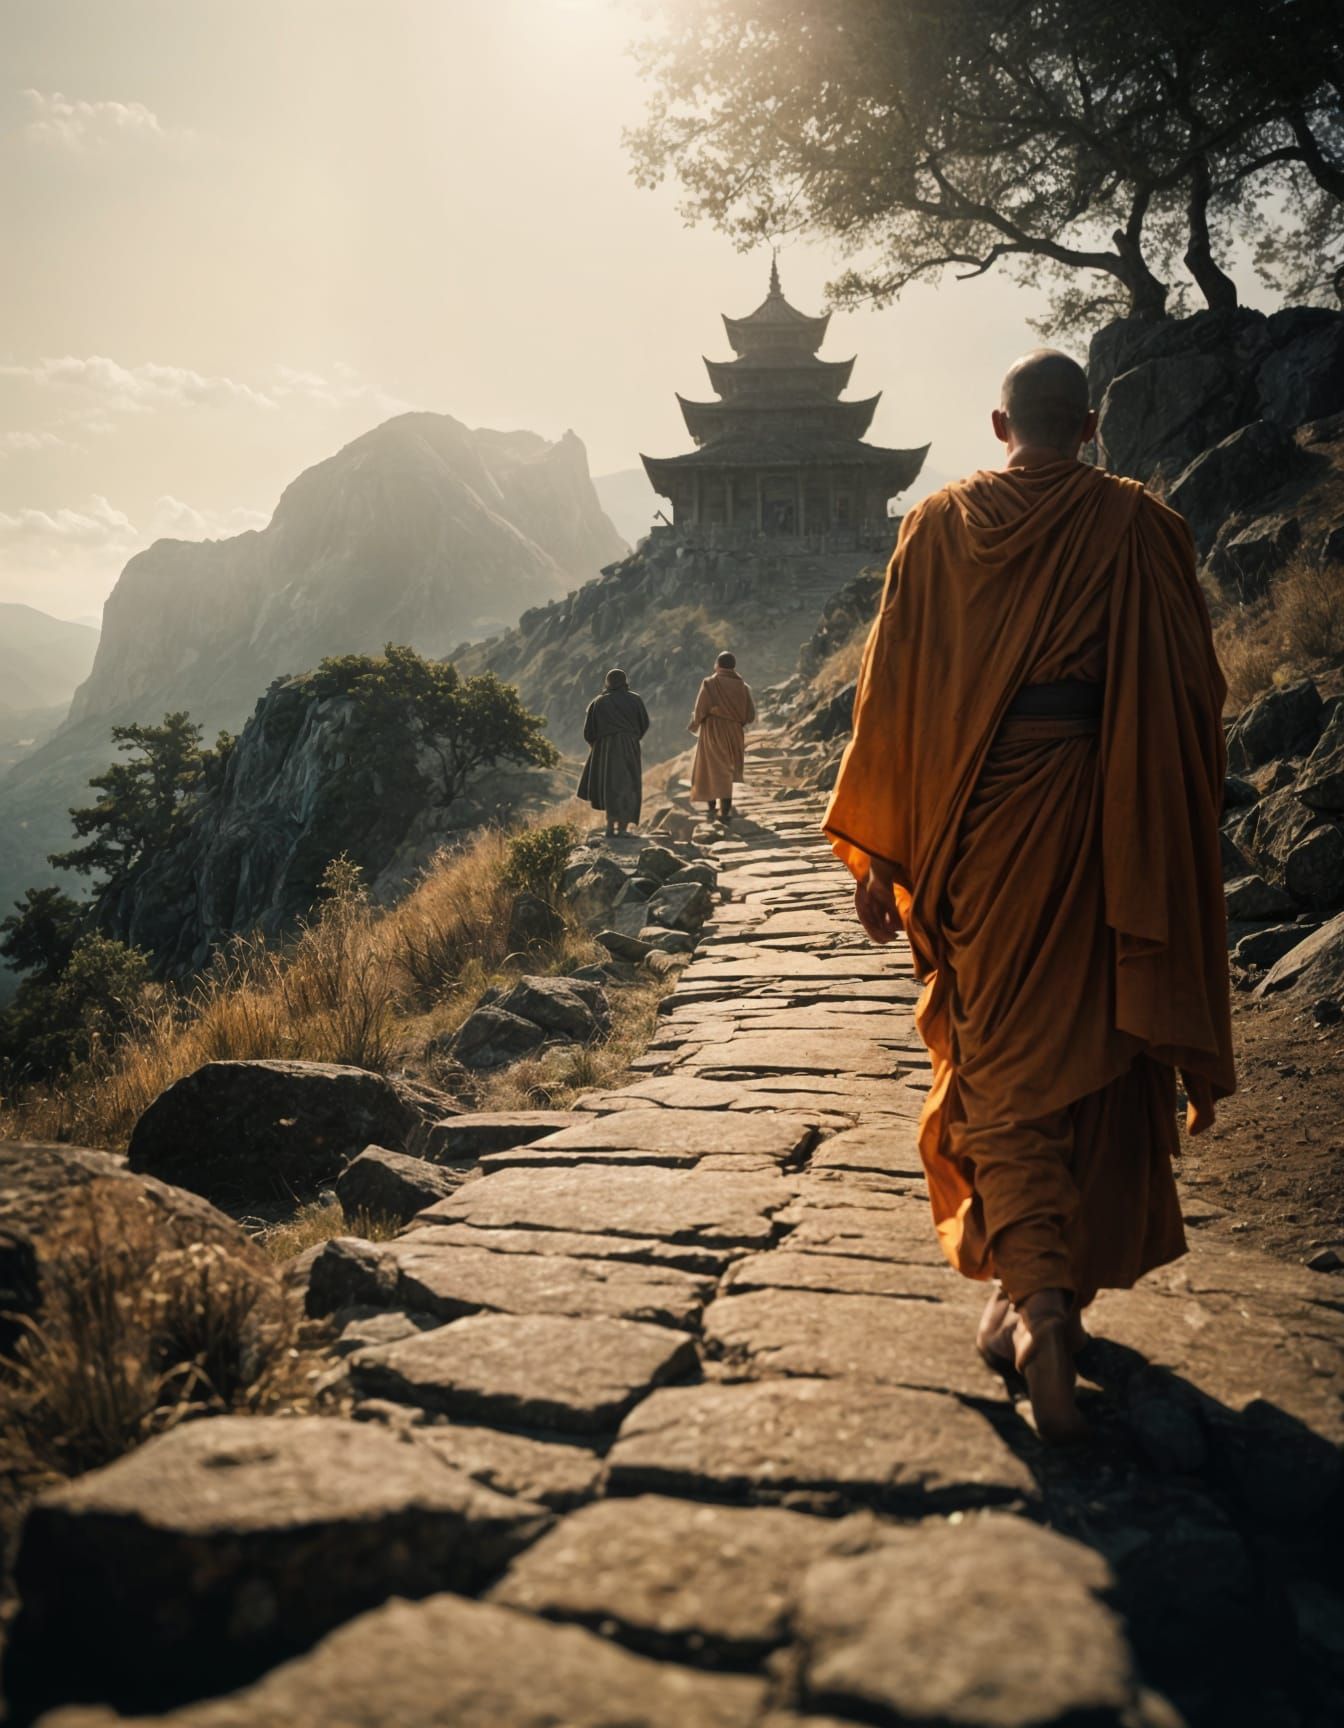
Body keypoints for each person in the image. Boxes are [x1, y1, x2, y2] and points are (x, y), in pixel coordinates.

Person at [824, 349, 1234, 1444]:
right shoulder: (1142, 528)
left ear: (1001, 423)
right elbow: (1195, 700)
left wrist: (884, 855)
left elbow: (895, 696)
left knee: (999, 1066)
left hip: (983, 825)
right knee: (1098, 1053)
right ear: (1091, 427)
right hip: (1110, 826)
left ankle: (1039, 1301)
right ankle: (1054, 1297)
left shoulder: (939, 526)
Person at [578, 668, 649, 837]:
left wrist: (598, 745)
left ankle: (610, 826)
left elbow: (588, 732)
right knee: (628, 784)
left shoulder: (598, 702)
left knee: (610, 786)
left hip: (605, 748)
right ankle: (623, 828)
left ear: (608, 683)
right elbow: (644, 724)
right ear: (625, 682)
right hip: (630, 745)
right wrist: (632, 738)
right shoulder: (635, 699)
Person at [689, 651, 755, 822]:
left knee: (710, 767)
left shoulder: (710, 683)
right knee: (727, 769)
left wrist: (695, 725)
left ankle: (712, 809)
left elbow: (701, 709)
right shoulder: (743, 686)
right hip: (734, 732)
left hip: (713, 729)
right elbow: (750, 715)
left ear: (717, 665)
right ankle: (725, 810)